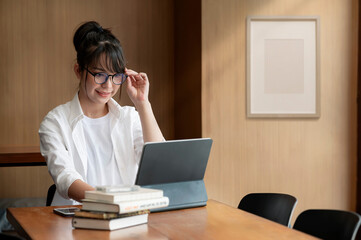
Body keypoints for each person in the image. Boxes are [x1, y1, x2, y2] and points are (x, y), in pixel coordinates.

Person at [39, 21, 164, 206]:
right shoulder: (55, 122)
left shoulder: (130, 118)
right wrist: (110, 201)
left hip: (127, 217)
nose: (108, 85)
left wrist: (142, 103)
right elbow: (65, 178)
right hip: (75, 220)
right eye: (99, 74)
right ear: (78, 71)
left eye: (116, 76)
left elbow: (159, 165)